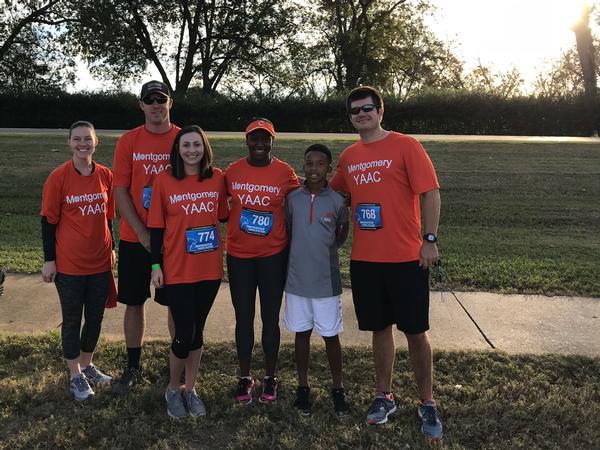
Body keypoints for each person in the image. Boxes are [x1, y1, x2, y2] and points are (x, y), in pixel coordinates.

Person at [330, 86, 444, 440]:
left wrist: (429, 240)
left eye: (368, 108)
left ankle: (426, 401)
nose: (361, 114)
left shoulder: (406, 145)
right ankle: (385, 396)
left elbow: (431, 192)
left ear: (380, 112)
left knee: (415, 331)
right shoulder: (349, 156)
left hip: (406, 256)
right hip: (365, 260)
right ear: (350, 117)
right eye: (355, 111)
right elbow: (335, 192)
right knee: (379, 329)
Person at [148, 125, 229, 418]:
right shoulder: (164, 180)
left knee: (198, 333)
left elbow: (225, 213)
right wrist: (155, 265)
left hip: (208, 269)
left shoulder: (217, 178)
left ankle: (190, 388)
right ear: (178, 150)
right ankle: (172, 389)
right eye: (186, 145)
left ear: (204, 148)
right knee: (184, 333)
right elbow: (156, 227)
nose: (192, 150)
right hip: (177, 269)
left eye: (197, 145)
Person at [225, 118, 301, 404]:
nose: (259, 144)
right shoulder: (232, 172)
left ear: (272, 142)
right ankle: (245, 377)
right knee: (243, 318)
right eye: (254, 139)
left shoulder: (284, 172)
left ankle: (270, 377)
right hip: (240, 256)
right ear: (246, 141)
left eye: (264, 139)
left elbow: (301, 195)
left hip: (272, 256)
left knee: (270, 318)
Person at [111, 80, 181, 394]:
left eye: (160, 99)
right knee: (134, 302)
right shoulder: (128, 141)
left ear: (170, 102)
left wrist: (168, 234)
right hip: (133, 236)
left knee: (175, 304)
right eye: (149, 100)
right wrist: (140, 231)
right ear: (141, 105)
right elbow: (121, 191)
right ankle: (133, 366)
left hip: (172, 239)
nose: (155, 104)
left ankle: (176, 368)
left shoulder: (183, 138)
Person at [40, 121, 115, 401]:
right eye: (77, 139)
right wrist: (49, 260)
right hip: (70, 264)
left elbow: (108, 216)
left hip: (99, 262)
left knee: (95, 317)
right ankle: (74, 375)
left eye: (88, 139)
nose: (83, 144)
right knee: (73, 319)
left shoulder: (106, 175)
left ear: (96, 142)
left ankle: (87, 364)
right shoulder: (58, 177)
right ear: (69, 143)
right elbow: (48, 221)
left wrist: (113, 247)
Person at [284, 144, 351, 417]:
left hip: (326, 282)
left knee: (330, 335)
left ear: (329, 169)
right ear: (303, 166)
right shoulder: (292, 199)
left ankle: (338, 388)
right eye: (309, 163)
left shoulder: (337, 201)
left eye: (320, 164)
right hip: (297, 281)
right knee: (301, 333)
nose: (314, 169)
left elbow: (340, 236)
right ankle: (303, 388)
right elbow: (289, 230)